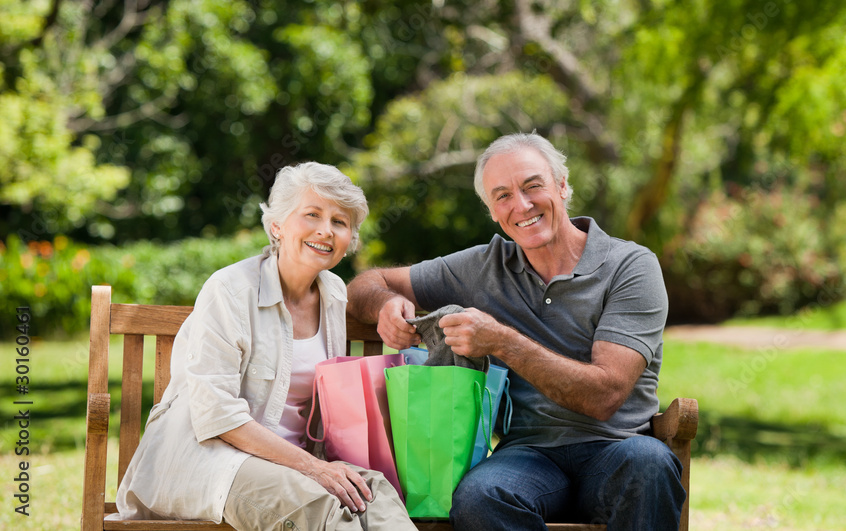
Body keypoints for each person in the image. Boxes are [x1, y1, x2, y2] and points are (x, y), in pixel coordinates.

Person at [347, 133, 686, 530]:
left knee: (651, 464)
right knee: (479, 496)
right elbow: (364, 284)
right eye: (503, 195)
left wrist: (501, 340)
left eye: (533, 186)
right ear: (492, 210)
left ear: (562, 186)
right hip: (529, 456)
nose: (521, 205)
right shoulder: (484, 266)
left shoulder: (630, 266)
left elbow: (604, 395)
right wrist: (385, 304)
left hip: (618, 449)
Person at [115, 162, 416, 531]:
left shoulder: (334, 293)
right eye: (312, 214)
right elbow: (218, 415)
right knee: (325, 508)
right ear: (277, 225)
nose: (326, 229)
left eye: (340, 221)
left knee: (374, 493)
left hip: (294, 467)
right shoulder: (229, 290)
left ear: (349, 239)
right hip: (214, 463)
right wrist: (313, 468)